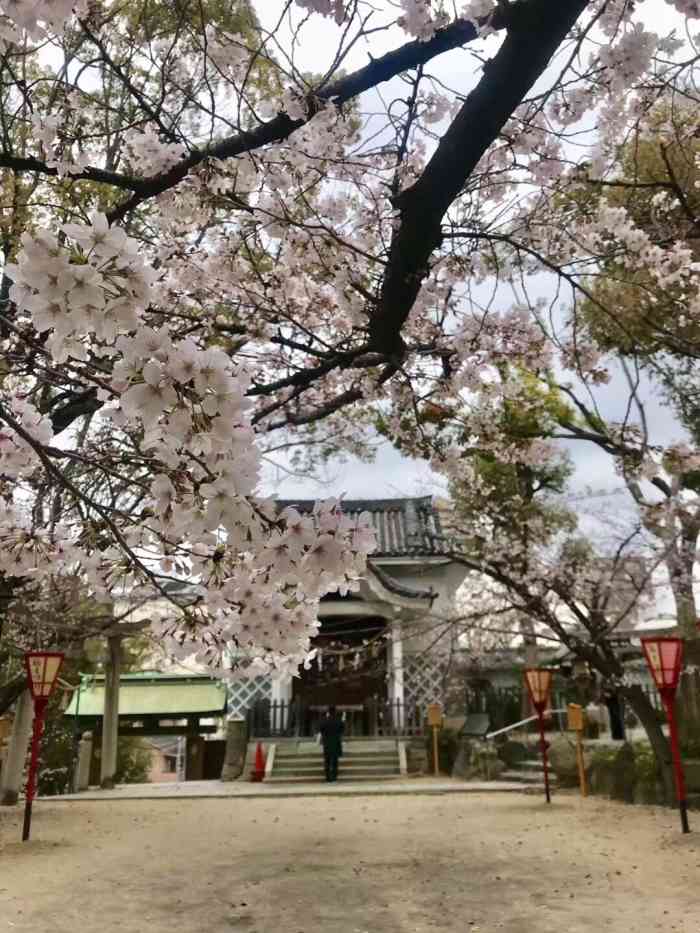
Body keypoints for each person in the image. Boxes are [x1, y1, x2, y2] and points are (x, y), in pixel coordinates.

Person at [319, 705, 344, 782]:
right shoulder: (339, 720)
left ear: (328, 712)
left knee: (327, 761)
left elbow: (321, 730)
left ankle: (327, 777)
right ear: (335, 712)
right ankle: (334, 777)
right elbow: (342, 730)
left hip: (327, 743)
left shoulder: (324, 721)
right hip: (336, 742)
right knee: (335, 761)